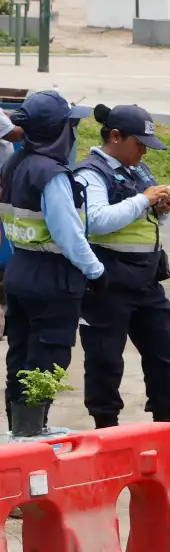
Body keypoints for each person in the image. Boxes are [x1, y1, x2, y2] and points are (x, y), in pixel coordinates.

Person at [74, 105, 170, 453]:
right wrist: (141, 200)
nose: (144, 151)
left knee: (166, 351)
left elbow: (145, 221)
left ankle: (166, 428)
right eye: (140, 143)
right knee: (105, 360)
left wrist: (161, 210)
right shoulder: (90, 174)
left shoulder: (138, 168)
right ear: (115, 137)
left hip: (146, 280)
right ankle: (108, 433)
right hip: (106, 281)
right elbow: (96, 221)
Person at [1, 91, 104, 429]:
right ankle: (31, 432)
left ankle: (19, 428)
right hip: (52, 278)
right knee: (47, 358)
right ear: (59, 131)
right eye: (71, 125)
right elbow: (69, 235)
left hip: (19, 272)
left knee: (19, 355)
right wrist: (96, 270)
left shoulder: (14, 163)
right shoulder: (52, 175)